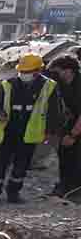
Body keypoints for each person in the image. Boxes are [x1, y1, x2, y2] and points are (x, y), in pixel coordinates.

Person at [0, 53, 67, 205]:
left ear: (38, 71)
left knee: (21, 166)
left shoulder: (49, 87)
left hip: (29, 133)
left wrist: (50, 132)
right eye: (22, 71)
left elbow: (55, 112)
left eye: (27, 71)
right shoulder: (7, 85)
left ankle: (13, 193)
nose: (24, 74)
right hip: (7, 131)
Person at [47, 55, 81, 197]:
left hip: (78, 124)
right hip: (72, 121)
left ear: (68, 71)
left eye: (57, 72)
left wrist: (73, 135)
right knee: (64, 153)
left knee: (76, 155)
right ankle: (65, 184)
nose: (55, 75)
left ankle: (74, 188)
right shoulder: (62, 84)